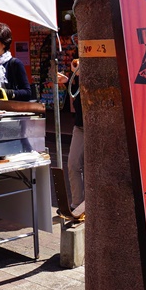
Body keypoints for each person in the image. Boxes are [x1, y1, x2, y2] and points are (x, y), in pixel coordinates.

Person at [0, 23, 33, 101]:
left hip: (12, 111)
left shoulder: (15, 64)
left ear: (4, 43)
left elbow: (27, 93)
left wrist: (5, 93)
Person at [58, 58, 84, 213]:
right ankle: (77, 203)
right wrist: (70, 80)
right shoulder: (78, 75)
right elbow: (76, 94)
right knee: (73, 164)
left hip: (95, 127)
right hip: (80, 126)